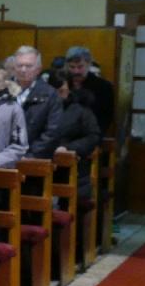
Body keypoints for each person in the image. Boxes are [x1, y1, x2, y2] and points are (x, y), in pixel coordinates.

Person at [50, 70, 102, 201]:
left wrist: (68, 148)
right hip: (46, 164)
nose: (58, 96)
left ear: (70, 90)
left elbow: (94, 136)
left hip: (74, 169)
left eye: (62, 91)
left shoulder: (81, 110)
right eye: (54, 92)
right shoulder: (43, 108)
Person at [13, 45, 62, 159]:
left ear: (38, 69)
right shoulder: (2, 90)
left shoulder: (50, 94)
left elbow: (52, 132)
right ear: (14, 68)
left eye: (28, 66)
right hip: (2, 157)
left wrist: (30, 155)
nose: (23, 70)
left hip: (34, 158)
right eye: (20, 65)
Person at [65, 46, 115, 134]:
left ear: (89, 64)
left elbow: (106, 116)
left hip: (91, 133)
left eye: (80, 67)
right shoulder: (63, 84)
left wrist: (96, 135)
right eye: (72, 67)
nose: (76, 71)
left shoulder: (103, 86)